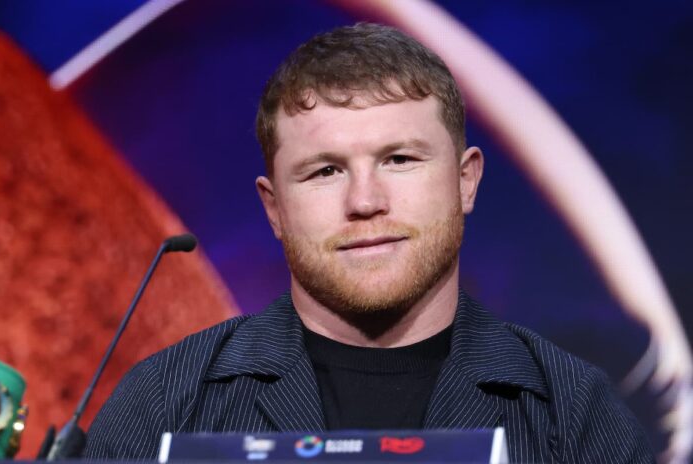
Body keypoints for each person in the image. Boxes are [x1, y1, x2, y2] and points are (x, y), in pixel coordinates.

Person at [83, 23, 654, 462]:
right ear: (274, 207)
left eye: (400, 160)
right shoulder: (164, 405)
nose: (364, 200)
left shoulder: (573, 414)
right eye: (325, 171)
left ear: (465, 181)